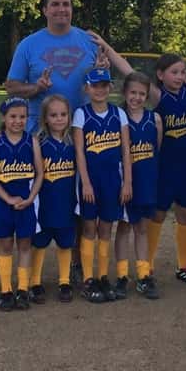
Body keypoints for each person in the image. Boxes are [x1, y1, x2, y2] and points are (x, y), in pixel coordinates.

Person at [91, 34, 186, 286]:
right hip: (166, 168)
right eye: (174, 72)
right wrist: (108, 48)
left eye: (181, 71)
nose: (179, 76)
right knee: (157, 215)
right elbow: (126, 69)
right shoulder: (157, 96)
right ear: (160, 75)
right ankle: (149, 265)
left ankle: (183, 265)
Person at [5, 0, 101, 134]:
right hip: (42, 132)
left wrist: (101, 71)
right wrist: (37, 88)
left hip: (84, 129)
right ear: (45, 10)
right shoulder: (28, 45)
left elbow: (103, 85)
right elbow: (11, 88)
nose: (61, 9)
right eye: (55, 4)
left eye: (66, 4)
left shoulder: (91, 42)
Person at [73, 68, 132, 304]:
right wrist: (85, 182)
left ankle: (103, 276)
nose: (100, 90)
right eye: (95, 85)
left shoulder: (119, 114)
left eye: (104, 85)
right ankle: (89, 279)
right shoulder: (81, 113)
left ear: (110, 87)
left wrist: (127, 181)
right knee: (89, 228)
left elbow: (126, 150)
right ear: (87, 88)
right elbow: (79, 151)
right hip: (90, 180)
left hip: (112, 180)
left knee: (106, 228)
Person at [0, 97, 44, 312]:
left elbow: (40, 174)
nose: (18, 121)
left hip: (26, 202)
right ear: (4, 117)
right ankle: (6, 290)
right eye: (13, 116)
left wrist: (31, 197)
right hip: (3, 203)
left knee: (25, 244)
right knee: (5, 244)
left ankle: (22, 288)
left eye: (22, 117)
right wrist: (6, 197)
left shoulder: (32, 141)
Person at [31, 94, 78, 303]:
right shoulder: (38, 143)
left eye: (63, 114)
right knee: (39, 242)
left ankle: (64, 281)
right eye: (54, 115)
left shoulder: (73, 143)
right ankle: (34, 281)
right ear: (45, 118)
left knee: (65, 242)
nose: (59, 119)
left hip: (67, 202)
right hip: (44, 202)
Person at [118, 71, 161, 300]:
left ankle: (144, 275)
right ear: (125, 93)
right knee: (124, 227)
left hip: (147, 181)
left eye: (141, 94)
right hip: (126, 183)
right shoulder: (118, 118)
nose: (136, 97)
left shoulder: (154, 119)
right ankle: (122, 275)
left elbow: (157, 149)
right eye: (133, 92)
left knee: (142, 228)